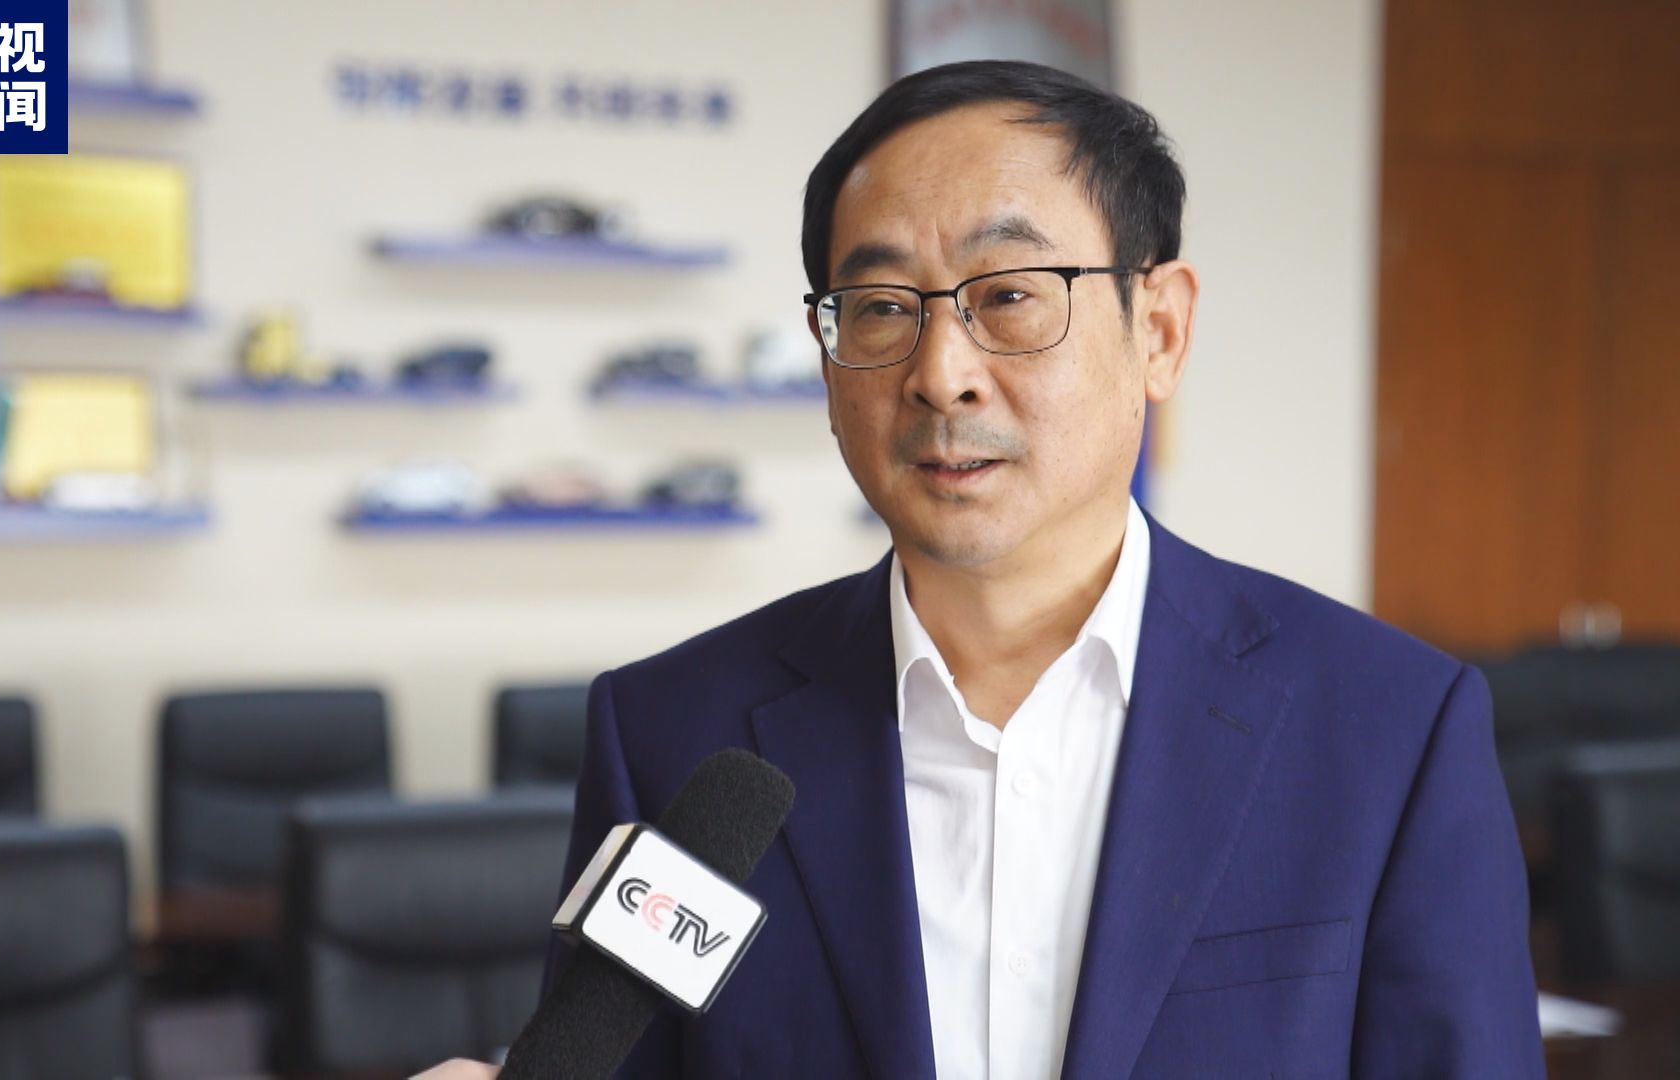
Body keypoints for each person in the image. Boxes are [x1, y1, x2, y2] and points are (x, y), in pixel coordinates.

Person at [419, 59, 1544, 1080]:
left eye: (1008, 295)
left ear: (1158, 331)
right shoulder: (676, 734)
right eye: (880, 308)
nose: (940, 373)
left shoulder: (1388, 730)